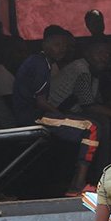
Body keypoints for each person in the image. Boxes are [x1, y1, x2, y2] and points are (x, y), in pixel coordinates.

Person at [12, 26, 99, 195]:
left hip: (33, 114)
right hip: (33, 116)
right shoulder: (40, 64)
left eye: (64, 46)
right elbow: (41, 102)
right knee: (92, 128)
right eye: (58, 44)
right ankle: (77, 186)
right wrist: (61, 115)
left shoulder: (42, 62)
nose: (62, 49)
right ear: (45, 44)